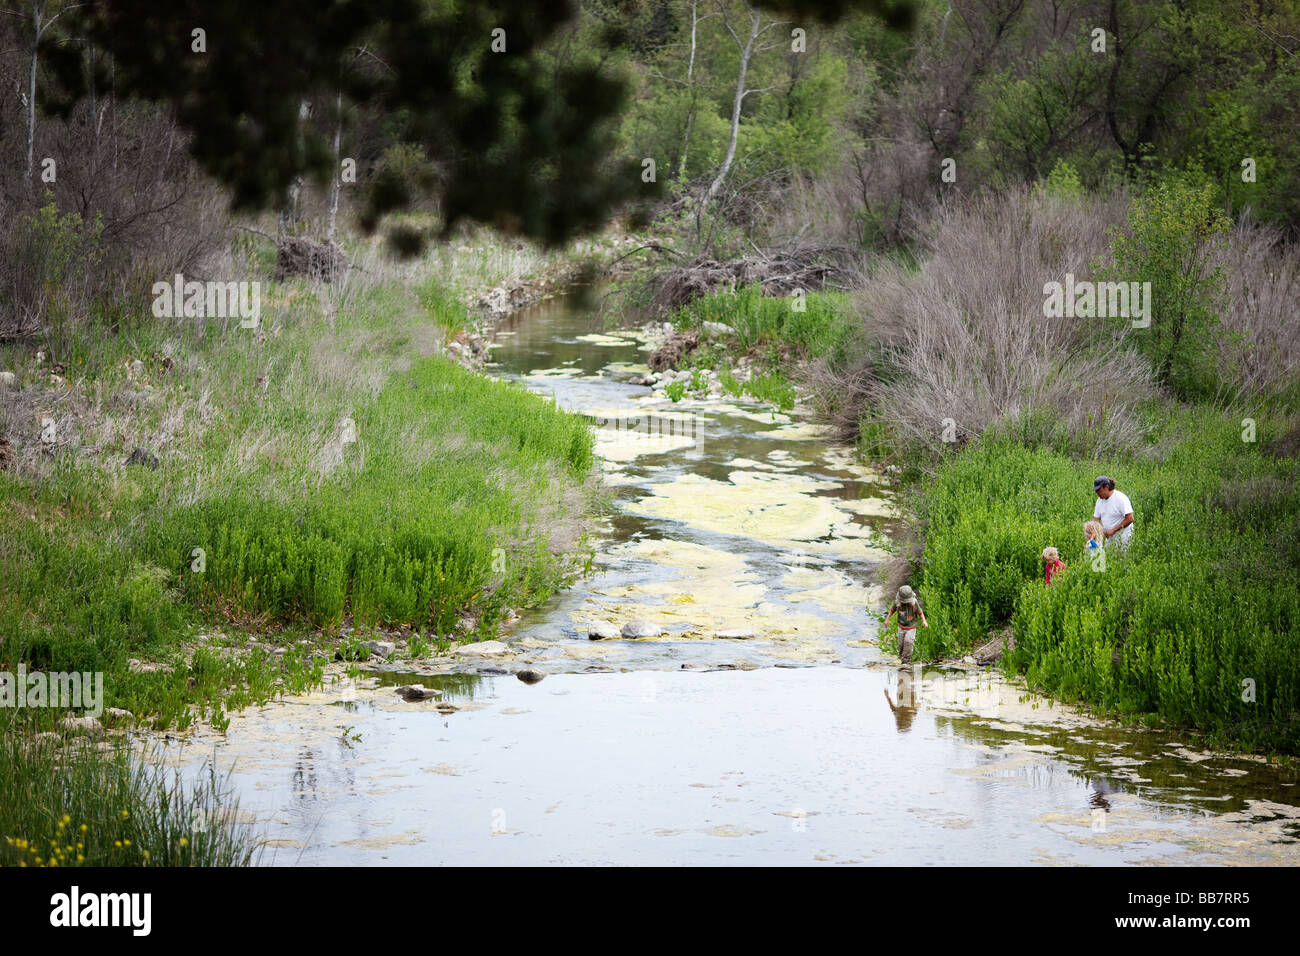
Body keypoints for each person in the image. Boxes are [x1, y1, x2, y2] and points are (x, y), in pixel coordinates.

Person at [885, 585, 928, 664]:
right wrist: (887, 619)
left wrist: (924, 621)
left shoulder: (914, 603)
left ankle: (907, 661)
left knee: (908, 642)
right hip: (901, 627)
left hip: (911, 628)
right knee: (901, 645)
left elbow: (920, 612)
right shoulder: (897, 603)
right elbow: (892, 610)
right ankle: (902, 659)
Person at [1092, 475, 1134, 550]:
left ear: (1106, 487)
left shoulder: (1120, 498)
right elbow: (1096, 520)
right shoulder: (1099, 501)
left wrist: (1113, 530)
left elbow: (1130, 518)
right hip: (1109, 539)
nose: (1097, 493)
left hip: (1123, 538)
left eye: (1099, 490)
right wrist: (1093, 534)